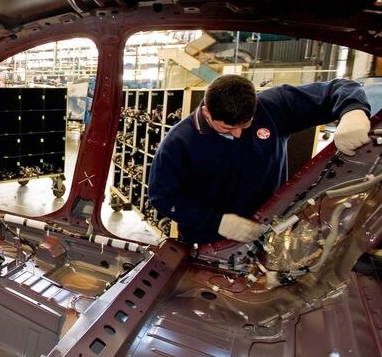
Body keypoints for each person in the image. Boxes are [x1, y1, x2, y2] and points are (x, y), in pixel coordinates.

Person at [148, 74, 371, 245]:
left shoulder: (273, 106)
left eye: (244, 125)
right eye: (227, 128)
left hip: (270, 228)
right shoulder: (178, 142)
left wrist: (353, 111)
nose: (237, 134)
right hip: (208, 240)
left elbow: (339, 88)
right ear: (207, 113)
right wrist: (216, 221)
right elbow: (163, 197)